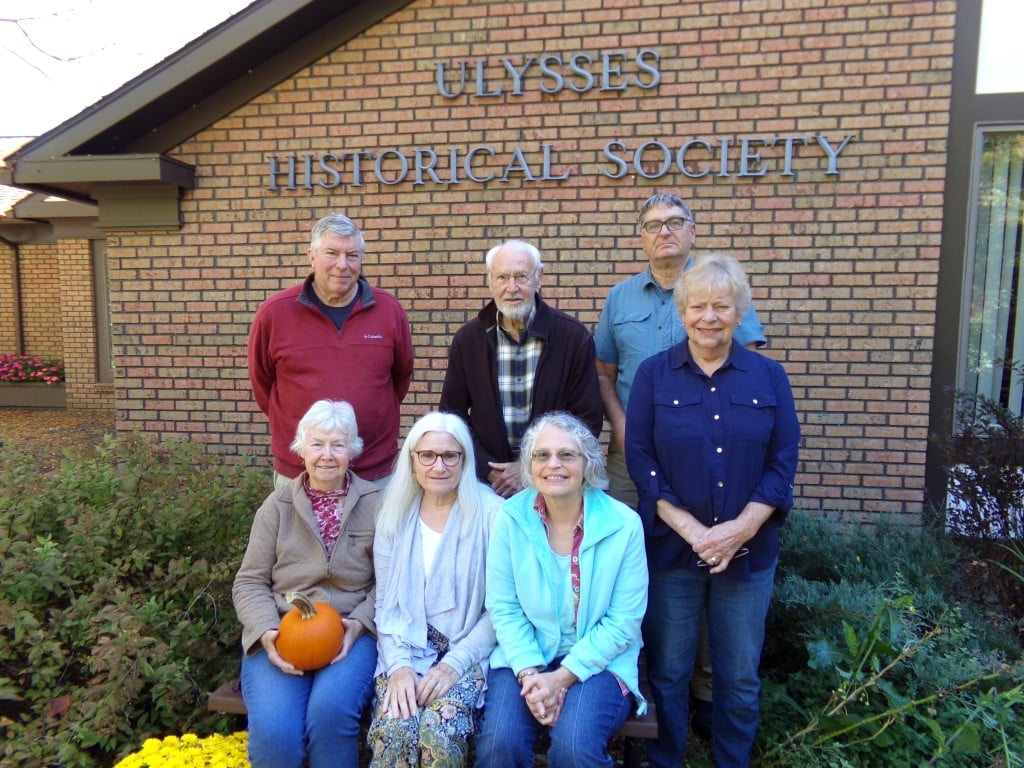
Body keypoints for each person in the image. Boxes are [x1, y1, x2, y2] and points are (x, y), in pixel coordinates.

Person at [594, 191, 767, 734]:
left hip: (713, 465)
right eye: (653, 225)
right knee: (634, 562)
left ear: (693, 230)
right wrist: (626, 429)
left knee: (717, 558)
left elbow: (752, 370)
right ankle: (640, 676)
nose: (664, 232)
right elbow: (603, 372)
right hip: (632, 462)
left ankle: (707, 692)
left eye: (675, 223)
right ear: (640, 237)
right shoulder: (620, 299)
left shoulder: (720, 287)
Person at [625, 253, 800, 768]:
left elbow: (782, 462)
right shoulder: (655, 376)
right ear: (682, 312)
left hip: (749, 556)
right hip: (673, 555)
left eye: (721, 306)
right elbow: (640, 458)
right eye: (697, 306)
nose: (708, 316)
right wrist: (695, 531)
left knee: (739, 674)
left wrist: (738, 531)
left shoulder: (769, 378)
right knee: (669, 670)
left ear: (739, 311)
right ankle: (665, 760)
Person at [475, 411, 648, 768]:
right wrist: (531, 673)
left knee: (574, 747)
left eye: (567, 455)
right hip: (525, 655)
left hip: (600, 662)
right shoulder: (510, 517)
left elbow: (624, 621)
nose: (554, 464)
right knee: (498, 745)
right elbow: (504, 607)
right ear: (529, 465)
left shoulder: (624, 525)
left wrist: (560, 679)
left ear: (588, 463)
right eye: (542, 455)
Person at [232, 399, 380, 768]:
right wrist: (266, 631)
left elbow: (394, 582)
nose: (327, 455)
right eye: (317, 444)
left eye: (337, 444)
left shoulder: (379, 504)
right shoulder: (276, 506)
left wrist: (361, 621)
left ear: (352, 450)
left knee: (329, 717)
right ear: (301, 448)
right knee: (275, 734)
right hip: (284, 630)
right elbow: (249, 581)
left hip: (351, 634)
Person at [368, 411, 503, 767]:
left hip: (467, 650)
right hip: (404, 647)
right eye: (427, 455)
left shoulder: (493, 514)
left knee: (439, 732)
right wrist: (398, 667)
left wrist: (452, 666)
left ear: (465, 460)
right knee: (396, 728)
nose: (438, 466)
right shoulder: (394, 514)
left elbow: (503, 609)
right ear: (412, 460)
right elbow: (385, 604)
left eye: (450, 456)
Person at [248, 213, 414, 488]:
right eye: (332, 253)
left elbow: (400, 378)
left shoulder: (389, 310)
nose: (342, 265)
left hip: (374, 473)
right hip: (300, 472)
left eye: (352, 255)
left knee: (376, 533)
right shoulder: (275, 313)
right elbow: (263, 385)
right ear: (311, 256)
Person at [440, 240, 603, 498]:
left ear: (539, 278)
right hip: (487, 486)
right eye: (502, 277)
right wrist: (487, 468)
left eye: (521, 277)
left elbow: (587, 420)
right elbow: (452, 416)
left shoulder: (573, 338)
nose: (511, 288)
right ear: (490, 281)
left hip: (554, 482)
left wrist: (528, 468)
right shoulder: (468, 340)